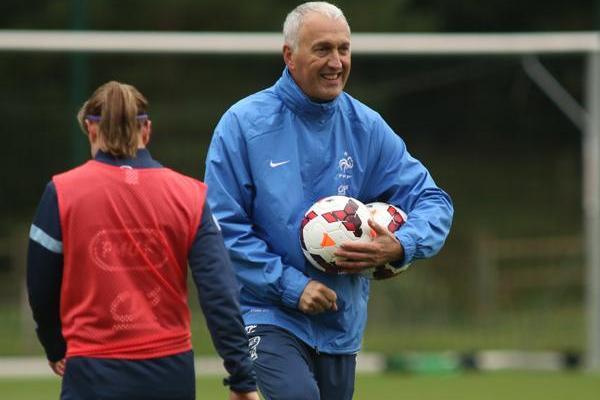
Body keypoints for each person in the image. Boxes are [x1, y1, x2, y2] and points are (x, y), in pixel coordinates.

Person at [204, 2, 454, 399]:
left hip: (341, 322)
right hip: (266, 314)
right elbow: (220, 229)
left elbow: (434, 200)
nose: (336, 62)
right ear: (290, 55)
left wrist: (400, 245)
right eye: (322, 49)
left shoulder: (366, 127)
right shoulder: (243, 124)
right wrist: (291, 287)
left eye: (344, 48)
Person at [27, 81, 259, 400]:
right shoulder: (190, 195)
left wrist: (55, 345)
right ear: (146, 130)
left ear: (91, 130)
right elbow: (219, 291)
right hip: (169, 371)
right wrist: (242, 377)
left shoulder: (62, 192)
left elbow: (40, 284)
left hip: (92, 370)